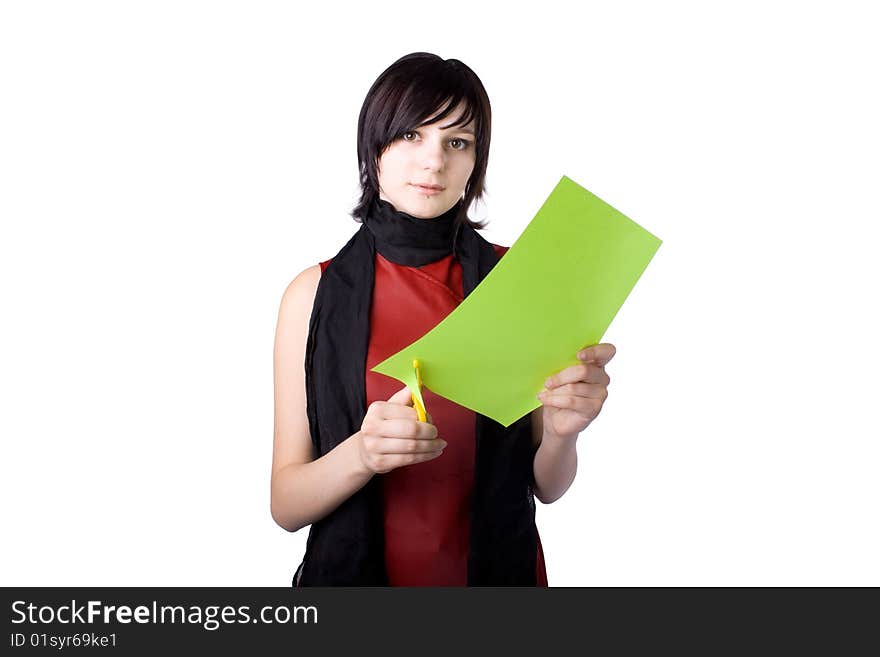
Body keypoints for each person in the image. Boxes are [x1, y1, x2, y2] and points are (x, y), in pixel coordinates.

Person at [271, 52, 616, 586]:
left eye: (458, 142)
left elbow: (546, 486)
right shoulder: (311, 294)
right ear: (374, 148)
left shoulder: (520, 280)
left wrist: (565, 434)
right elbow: (286, 504)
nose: (434, 161)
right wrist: (362, 455)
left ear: (476, 161)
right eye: (411, 136)